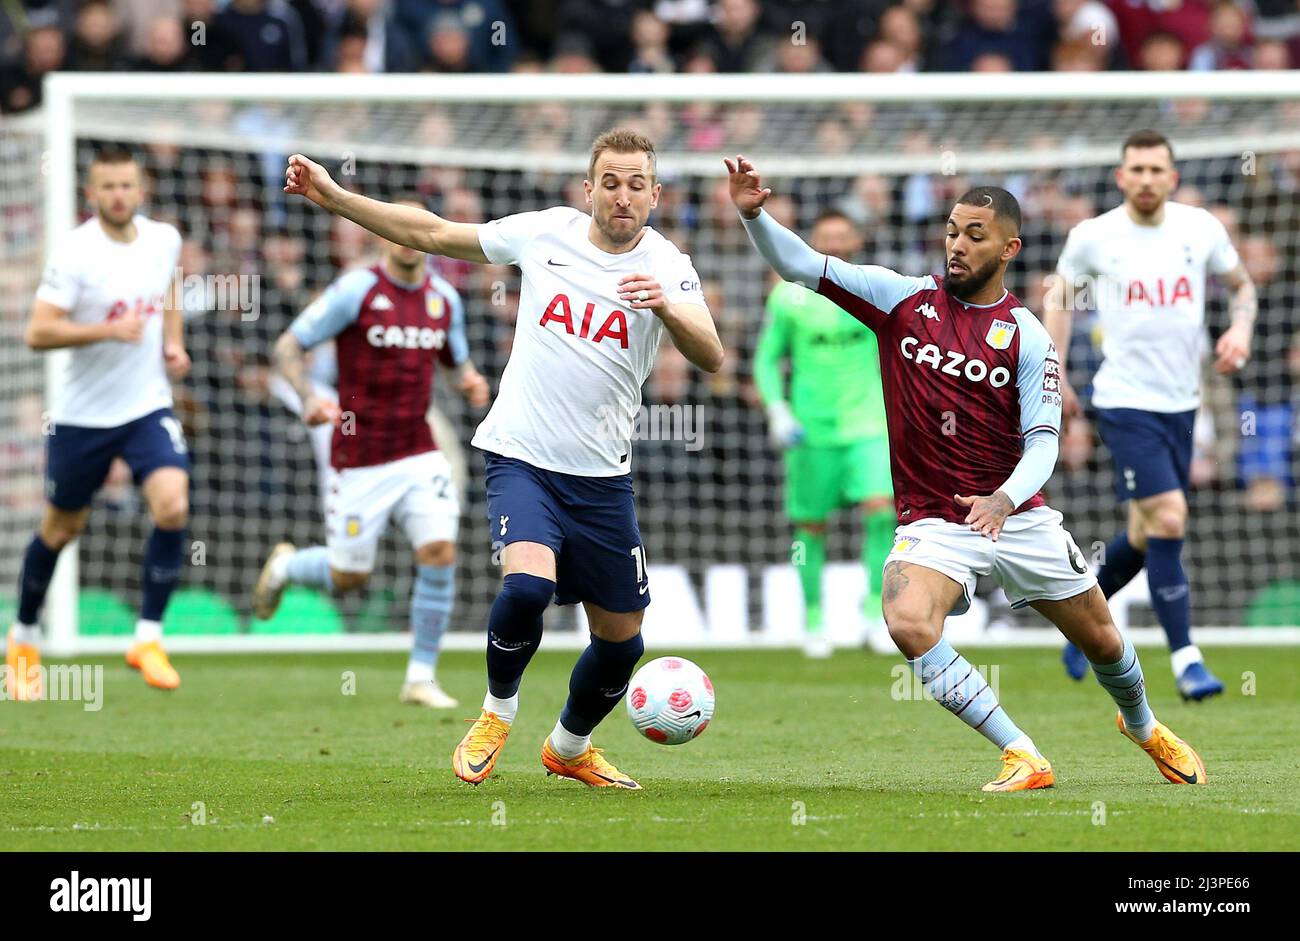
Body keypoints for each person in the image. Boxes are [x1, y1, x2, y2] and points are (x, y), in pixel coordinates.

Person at [728, 153, 1206, 792]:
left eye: (974, 235)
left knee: (1104, 643)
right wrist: (754, 215)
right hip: (934, 521)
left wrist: (1006, 499)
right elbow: (801, 266)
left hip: (1019, 516)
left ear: (1008, 247)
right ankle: (1022, 754)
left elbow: (1044, 442)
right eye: (952, 231)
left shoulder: (1027, 335)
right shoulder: (901, 300)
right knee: (906, 622)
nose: (957, 245)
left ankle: (1143, 726)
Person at [284, 129, 723, 788]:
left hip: (603, 478)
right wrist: (337, 197)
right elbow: (433, 233)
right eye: (610, 182)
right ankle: (496, 711)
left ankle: (569, 746)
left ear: (656, 195)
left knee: (623, 640)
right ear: (588, 189)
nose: (622, 195)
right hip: (520, 455)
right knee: (526, 586)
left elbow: (711, 353)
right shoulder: (546, 233)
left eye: (636, 184)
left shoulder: (667, 264)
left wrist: (665, 304)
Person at [254, 198, 490, 708]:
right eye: (397, 228)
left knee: (438, 550)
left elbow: (455, 362)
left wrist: (469, 381)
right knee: (349, 575)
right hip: (359, 457)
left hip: (418, 451)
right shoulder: (356, 290)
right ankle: (289, 568)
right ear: (383, 234)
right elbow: (287, 348)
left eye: (418, 228)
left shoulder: (444, 300)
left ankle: (421, 676)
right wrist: (309, 395)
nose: (407, 237)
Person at [1048, 130, 1256, 700]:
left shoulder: (1200, 229)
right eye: (1135, 169)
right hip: (1123, 401)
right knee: (1169, 518)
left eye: (1155, 170)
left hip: (1182, 402)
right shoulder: (1093, 236)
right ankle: (1188, 662)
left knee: (1143, 533)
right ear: (1120, 177)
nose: (1145, 179)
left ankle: (1081, 624)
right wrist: (1057, 371)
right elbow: (1059, 298)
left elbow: (1243, 288)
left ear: (1173, 177)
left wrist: (1240, 328)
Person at [10, 147, 190, 696]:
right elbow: (38, 333)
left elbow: (170, 287)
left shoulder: (164, 239)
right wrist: (105, 332)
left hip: (145, 406)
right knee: (61, 529)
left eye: (126, 185)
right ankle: (22, 639)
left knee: (173, 504)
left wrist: (174, 342)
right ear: (90, 194)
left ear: (141, 190)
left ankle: (147, 637)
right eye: (106, 186)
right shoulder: (75, 254)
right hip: (83, 416)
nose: (117, 195)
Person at [752, 209, 894, 658]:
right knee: (809, 529)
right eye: (825, 236)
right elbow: (764, 360)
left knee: (882, 512)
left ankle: (874, 611)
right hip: (810, 431)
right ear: (813, 241)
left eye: (842, 235)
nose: (834, 242)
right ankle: (813, 618)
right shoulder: (787, 296)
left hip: (868, 424)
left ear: (855, 241)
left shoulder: (874, 290)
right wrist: (777, 410)